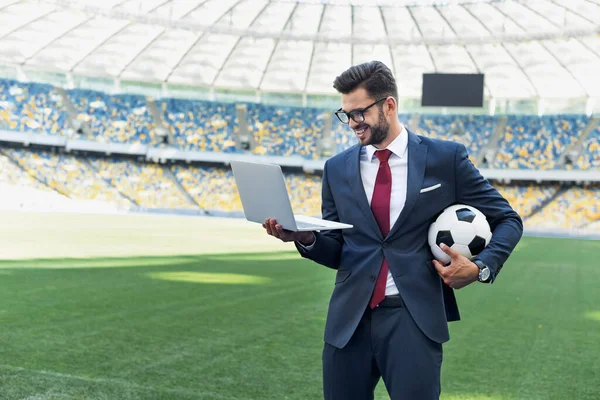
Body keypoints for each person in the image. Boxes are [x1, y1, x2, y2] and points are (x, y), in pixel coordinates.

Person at [263, 61, 523, 400]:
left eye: (359, 113)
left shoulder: (446, 158)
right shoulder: (337, 168)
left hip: (413, 320)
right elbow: (339, 251)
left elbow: (509, 220)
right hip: (348, 323)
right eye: (346, 115)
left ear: (389, 105)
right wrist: (305, 238)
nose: (353, 124)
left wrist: (479, 267)